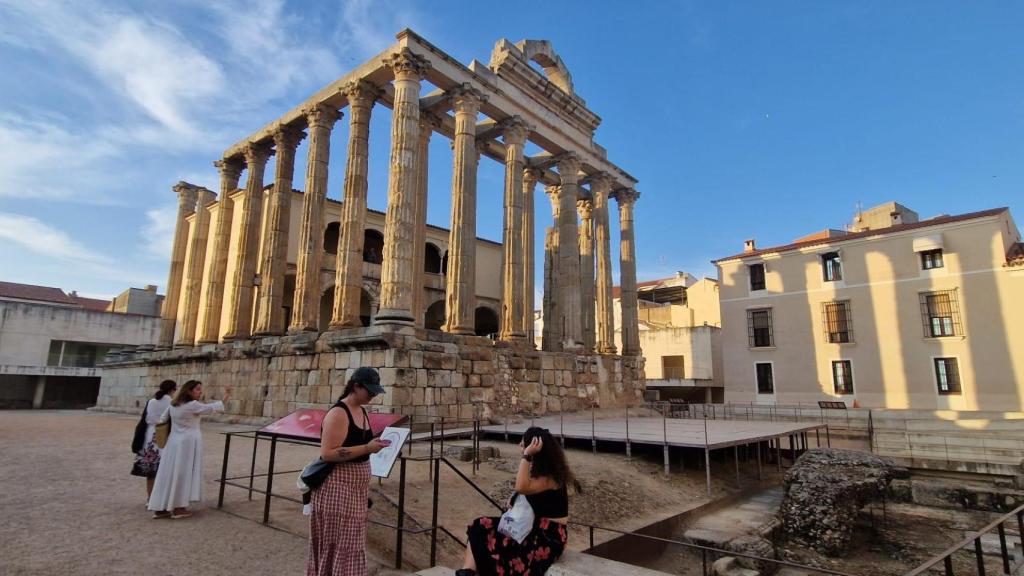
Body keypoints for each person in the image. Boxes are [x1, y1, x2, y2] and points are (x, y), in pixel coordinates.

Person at [459, 427, 580, 576]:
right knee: (480, 525)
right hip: (531, 528)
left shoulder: (551, 477)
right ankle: (467, 571)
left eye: (523, 445)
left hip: (547, 536)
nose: (520, 447)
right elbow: (524, 490)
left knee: (501, 546)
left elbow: (521, 486)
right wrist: (516, 496)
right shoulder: (540, 472)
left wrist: (527, 455)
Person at [307, 367, 389, 576]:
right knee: (341, 544)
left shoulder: (361, 410)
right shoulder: (338, 413)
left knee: (351, 542)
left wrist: (374, 445)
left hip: (355, 490)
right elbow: (327, 454)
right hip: (337, 489)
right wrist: (367, 448)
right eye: (369, 391)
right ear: (355, 386)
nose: (372, 395)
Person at [147, 379, 231, 519]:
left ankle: (160, 507)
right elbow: (215, 407)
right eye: (197, 389)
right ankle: (179, 508)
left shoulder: (173, 404)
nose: (200, 392)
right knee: (183, 473)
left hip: (173, 442)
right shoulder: (192, 405)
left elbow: (162, 419)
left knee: (168, 472)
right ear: (189, 391)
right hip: (188, 442)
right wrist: (227, 394)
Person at [130, 380, 177, 498]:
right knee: (164, 468)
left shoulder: (151, 401)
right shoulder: (171, 402)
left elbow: (145, 419)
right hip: (163, 434)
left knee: (150, 471)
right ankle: (161, 498)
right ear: (172, 390)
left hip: (149, 435)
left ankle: (150, 497)